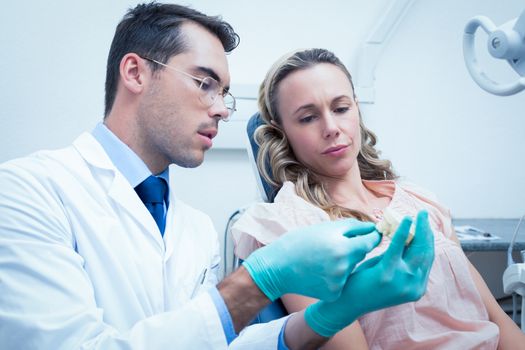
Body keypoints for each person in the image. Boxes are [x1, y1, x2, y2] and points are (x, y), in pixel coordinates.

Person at [0, 4, 435, 349]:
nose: (222, 109)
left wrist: (323, 319)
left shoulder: (195, 227)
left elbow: (212, 341)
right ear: (135, 72)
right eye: (204, 83)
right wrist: (256, 282)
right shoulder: (27, 191)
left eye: (224, 93)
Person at [232, 48, 525, 349]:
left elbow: (498, 321)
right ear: (282, 134)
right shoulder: (290, 226)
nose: (332, 128)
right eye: (308, 118)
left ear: (357, 109)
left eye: (341, 108)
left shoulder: (420, 201)